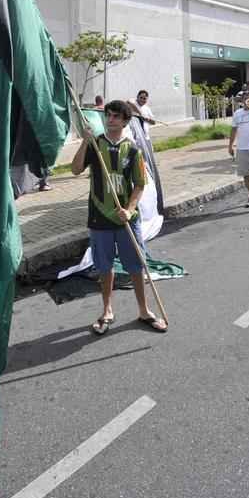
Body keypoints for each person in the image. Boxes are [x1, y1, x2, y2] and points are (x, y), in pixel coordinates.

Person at [71, 100, 167, 335]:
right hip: (99, 218)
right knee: (104, 268)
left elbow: (140, 184)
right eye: (108, 115)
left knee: (136, 266)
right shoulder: (96, 144)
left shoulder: (133, 150)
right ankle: (107, 311)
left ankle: (144, 311)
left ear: (125, 121)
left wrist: (130, 208)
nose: (110, 119)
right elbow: (75, 169)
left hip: (126, 219)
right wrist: (85, 141)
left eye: (115, 116)